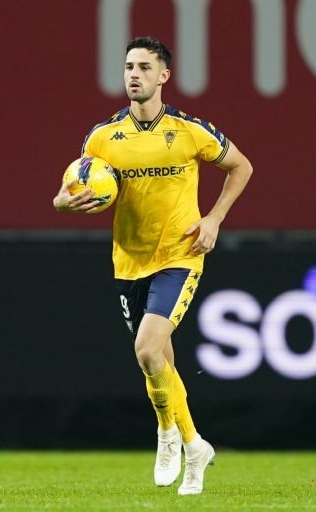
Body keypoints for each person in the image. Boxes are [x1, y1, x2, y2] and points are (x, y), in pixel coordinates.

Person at [52, 36, 253, 495]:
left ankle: (167, 435)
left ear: (164, 76)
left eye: (144, 66)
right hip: (129, 261)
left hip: (180, 255)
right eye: (128, 66)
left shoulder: (190, 131)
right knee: (158, 360)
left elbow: (241, 167)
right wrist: (63, 203)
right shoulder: (102, 138)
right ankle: (192, 444)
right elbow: (73, 189)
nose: (134, 74)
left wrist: (214, 219)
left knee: (146, 349)